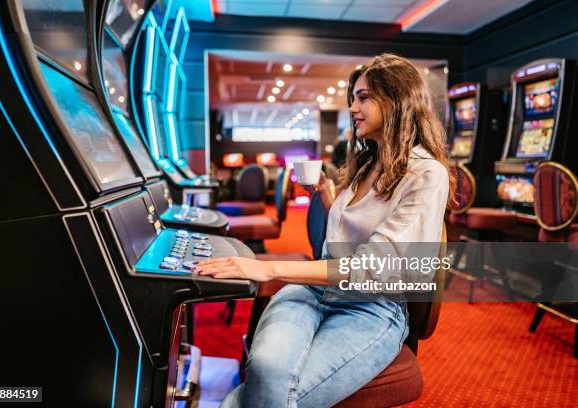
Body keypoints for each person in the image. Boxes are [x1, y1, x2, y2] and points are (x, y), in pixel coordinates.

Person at [195, 53, 455, 408]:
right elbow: (351, 230)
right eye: (353, 98)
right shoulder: (369, 162)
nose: (352, 107)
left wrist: (268, 267)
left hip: (370, 307)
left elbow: (374, 267)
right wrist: (325, 194)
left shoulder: (426, 173)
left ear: (396, 99)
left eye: (363, 97)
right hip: (316, 290)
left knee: (272, 396)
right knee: (266, 368)